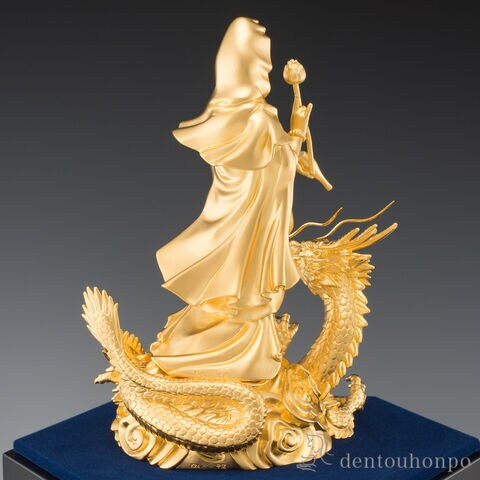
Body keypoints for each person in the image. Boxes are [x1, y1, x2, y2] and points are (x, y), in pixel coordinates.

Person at [151, 17, 316, 381]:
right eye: (263, 63)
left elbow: (273, 161)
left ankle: (195, 348)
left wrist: (293, 138)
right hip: (245, 221)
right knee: (244, 296)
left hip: (245, 218)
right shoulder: (256, 118)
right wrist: (296, 135)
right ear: (247, 65)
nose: (269, 69)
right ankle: (205, 353)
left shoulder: (229, 113)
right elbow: (273, 165)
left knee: (233, 296)